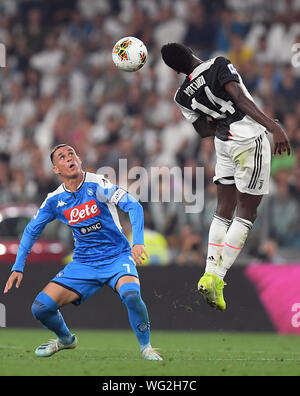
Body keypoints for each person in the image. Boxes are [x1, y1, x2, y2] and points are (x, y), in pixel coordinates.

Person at [161, 43, 291, 311]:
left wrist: (216, 117)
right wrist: (273, 127)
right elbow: (241, 99)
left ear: (175, 70)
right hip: (248, 138)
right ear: (189, 50)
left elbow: (202, 130)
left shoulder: (181, 96)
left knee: (223, 209)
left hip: (223, 143)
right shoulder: (219, 64)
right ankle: (217, 277)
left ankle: (209, 270)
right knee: (247, 211)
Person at [4, 144, 162, 361]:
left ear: (79, 160)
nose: (69, 158)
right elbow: (31, 231)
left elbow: (134, 206)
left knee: (131, 294)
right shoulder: (54, 200)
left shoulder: (98, 184)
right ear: (56, 169)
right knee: (40, 308)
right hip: (84, 263)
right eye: (62, 156)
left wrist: (138, 242)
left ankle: (146, 348)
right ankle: (66, 339)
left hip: (116, 256)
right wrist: (18, 266)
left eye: (72, 154)